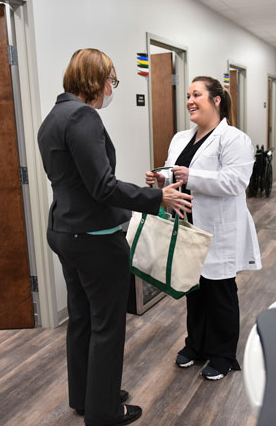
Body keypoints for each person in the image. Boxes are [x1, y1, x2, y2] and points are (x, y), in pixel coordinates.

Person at [38, 48, 192, 426]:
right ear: (94, 80)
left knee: (82, 318)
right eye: (111, 80)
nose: (112, 88)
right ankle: (104, 411)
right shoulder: (83, 117)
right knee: (107, 324)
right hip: (94, 239)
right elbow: (103, 187)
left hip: (64, 232)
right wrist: (159, 197)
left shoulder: (53, 117)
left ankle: (87, 396)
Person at [146, 76, 261, 380]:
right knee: (193, 289)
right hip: (187, 226)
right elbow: (176, 176)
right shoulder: (181, 138)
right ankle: (195, 345)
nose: (190, 101)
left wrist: (191, 176)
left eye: (196, 94)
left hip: (218, 229)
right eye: (187, 95)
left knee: (220, 292)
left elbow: (235, 182)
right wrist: (162, 181)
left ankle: (223, 355)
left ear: (216, 100)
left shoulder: (234, 139)